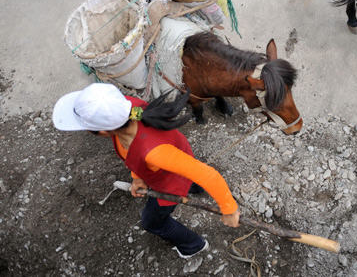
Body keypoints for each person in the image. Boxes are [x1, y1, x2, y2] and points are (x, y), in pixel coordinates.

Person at [52, 83, 240, 259]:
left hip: (169, 181)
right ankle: (196, 188)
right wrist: (138, 179)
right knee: (187, 172)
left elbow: (208, 174)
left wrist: (229, 209)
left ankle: (193, 245)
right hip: (178, 154)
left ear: (102, 132)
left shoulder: (153, 152)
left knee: (152, 222)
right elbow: (134, 157)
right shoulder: (127, 109)